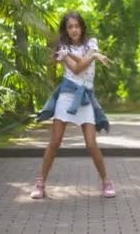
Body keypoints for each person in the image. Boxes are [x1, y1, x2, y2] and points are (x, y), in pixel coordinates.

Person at [30, 11, 115, 199]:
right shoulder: (62, 48)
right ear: (66, 30)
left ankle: (106, 182)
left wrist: (91, 54)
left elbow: (82, 58)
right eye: (70, 27)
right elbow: (77, 69)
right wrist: (93, 57)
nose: (74, 30)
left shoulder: (91, 43)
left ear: (82, 27)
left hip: (85, 98)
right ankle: (40, 183)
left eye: (77, 26)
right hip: (67, 96)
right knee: (55, 142)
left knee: (92, 144)